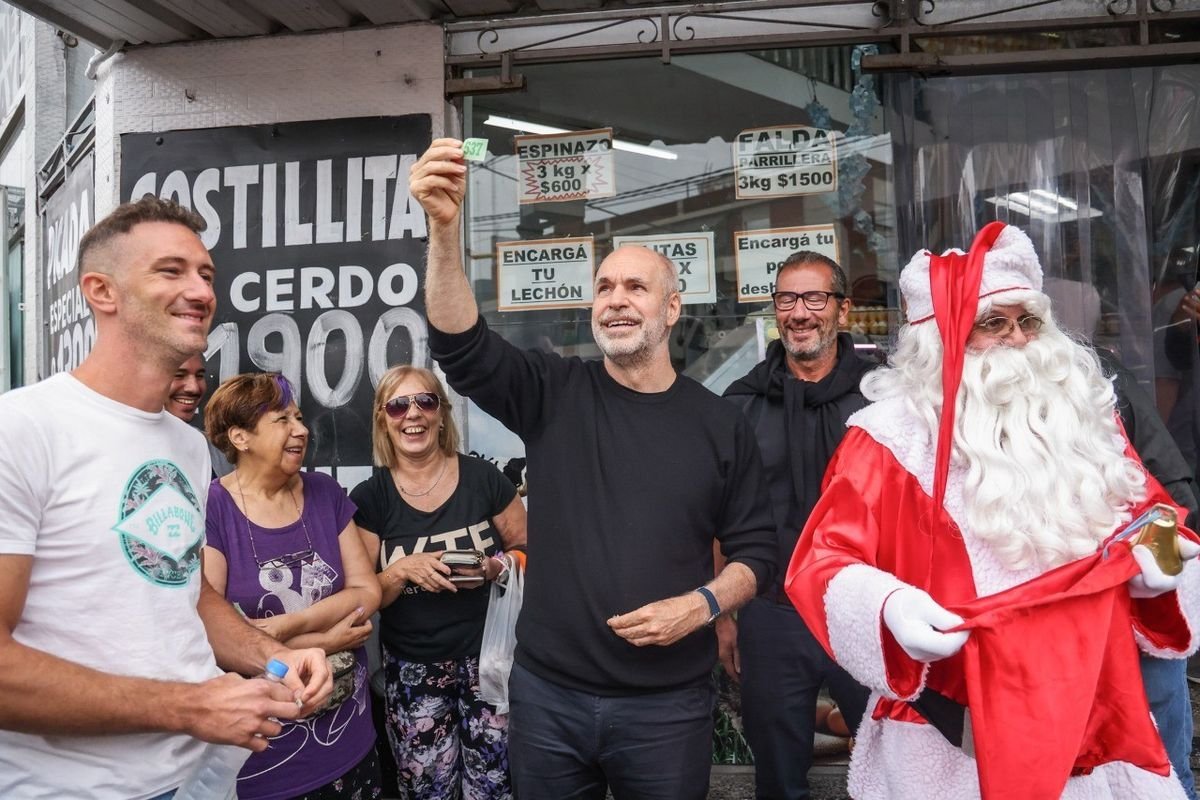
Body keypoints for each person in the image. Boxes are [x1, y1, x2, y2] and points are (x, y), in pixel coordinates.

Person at [410, 138, 776, 799]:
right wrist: (443, 233)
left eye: (636, 286)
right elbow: (462, 349)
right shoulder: (555, 391)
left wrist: (702, 606)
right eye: (604, 286)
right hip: (551, 699)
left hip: (668, 709)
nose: (615, 299)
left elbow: (757, 552)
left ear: (671, 309)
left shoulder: (720, 423)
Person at [786, 221, 1200, 799]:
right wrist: (888, 606)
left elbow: (1153, 510)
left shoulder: (1083, 417)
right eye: (992, 322)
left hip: (1095, 716)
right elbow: (823, 561)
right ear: (940, 338)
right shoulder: (887, 439)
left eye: (1028, 321)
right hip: (954, 734)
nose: (1017, 339)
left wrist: (1162, 560)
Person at [0, 196, 332, 799]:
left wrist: (276, 659)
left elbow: (184, 590)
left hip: (197, 779)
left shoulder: (184, 445)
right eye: (171, 270)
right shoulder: (21, 430)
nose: (201, 291)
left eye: (206, 274)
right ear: (102, 291)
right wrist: (189, 708)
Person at [722, 251, 872, 799]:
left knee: (897, 767)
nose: (800, 313)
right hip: (773, 616)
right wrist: (724, 617)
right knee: (779, 779)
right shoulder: (741, 405)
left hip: (864, 613)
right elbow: (721, 515)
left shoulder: (883, 399)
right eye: (787, 299)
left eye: (815, 298)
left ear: (843, 309)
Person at [351, 365, 528, 800]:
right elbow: (361, 597)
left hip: (491, 662)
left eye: (424, 401)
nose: (412, 413)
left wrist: (494, 568)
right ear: (383, 419)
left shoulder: (484, 479)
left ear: (441, 413)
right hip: (414, 671)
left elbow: (532, 552)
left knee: (495, 788)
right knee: (426, 790)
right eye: (397, 405)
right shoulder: (370, 498)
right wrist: (402, 569)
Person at [204, 371, 383, 800]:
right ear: (240, 437)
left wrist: (287, 628)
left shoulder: (324, 492)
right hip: (267, 760)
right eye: (282, 420)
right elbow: (211, 633)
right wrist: (326, 638)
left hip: (351, 743)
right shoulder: (214, 507)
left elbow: (366, 592)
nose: (301, 429)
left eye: (299, 418)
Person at [166, 353, 233, 477]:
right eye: (179, 375)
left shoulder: (216, 449)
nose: (194, 388)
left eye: (200, 376)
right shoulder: (123, 447)